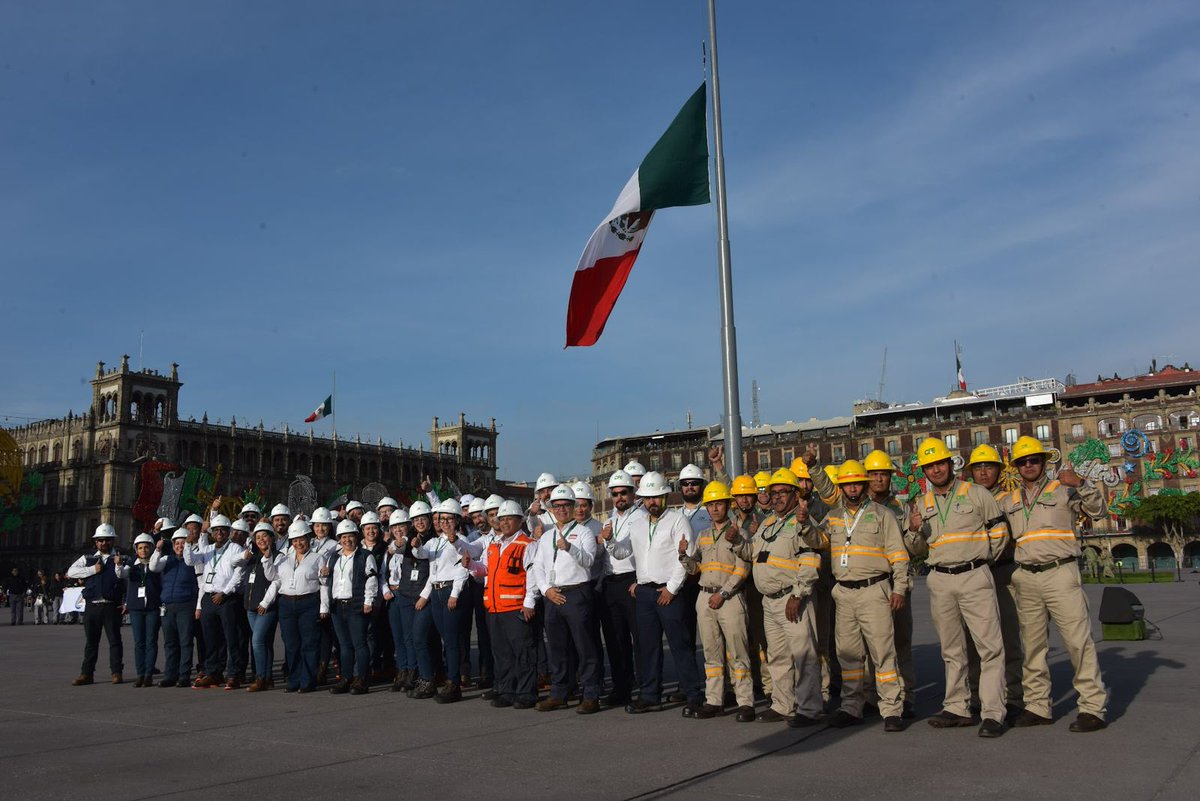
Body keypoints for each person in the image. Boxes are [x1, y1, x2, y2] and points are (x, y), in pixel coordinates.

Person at [999, 436, 1109, 733]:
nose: (1029, 465)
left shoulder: (1063, 489)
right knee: (1033, 646)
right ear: (1016, 467)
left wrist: (1081, 483)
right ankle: (1037, 706)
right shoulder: (1009, 501)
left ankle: (1092, 708)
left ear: (1044, 462)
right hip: (1026, 576)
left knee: (1078, 642)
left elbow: (1099, 511)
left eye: (1034, 460)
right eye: (1023, 462)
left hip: (1060, 572)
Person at [907, 437, 1009, 738]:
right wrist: (913, 530)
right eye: (930, 466)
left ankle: (992, 712)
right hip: (940, 579)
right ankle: (956, 706)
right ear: (924, 471)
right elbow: (916, 549)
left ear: (950, 464)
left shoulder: (976, 493)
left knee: (989, 647)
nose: (936, 470)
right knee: (951, 649)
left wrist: (983, 561)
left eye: (940, 463)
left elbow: (999, 533)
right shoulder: (921, 503)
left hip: (974, 575)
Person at [803, 460, 910, 731]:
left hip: (874, 590)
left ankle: (891, 708)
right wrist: (805, 525)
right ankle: (852, 706)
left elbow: (899, 555)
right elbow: (819, 541)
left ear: (864, 485)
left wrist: (899, 588)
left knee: (882, 652)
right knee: (848, 654)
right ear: (841, 488)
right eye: (847, 484)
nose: (852, 488)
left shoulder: (883, 514)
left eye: (857, 483)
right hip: (844, 593)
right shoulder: (834, 517)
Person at [603, 471, 704, 717]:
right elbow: (623, 552)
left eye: (656, 497)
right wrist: (610, 541)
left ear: (665, 496)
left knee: (680, 645)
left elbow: (685, 557)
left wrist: (671, 588)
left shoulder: (678, 520)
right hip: (646, 593)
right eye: (648, 498)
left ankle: (694, 695)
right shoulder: (637, 524)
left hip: (669, 591)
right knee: (648, 648)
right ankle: (650, 696)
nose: (652, 502)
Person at [740, 468, 823, 726]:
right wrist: (737, 542)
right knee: (777, 656)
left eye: (782, 492)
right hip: (769, 600)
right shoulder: (767, 523)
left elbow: (810, 560)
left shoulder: (802, 521)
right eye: (772, 492)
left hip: (792, 599)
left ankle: (809, 709)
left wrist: (798, 595)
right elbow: (751, 552)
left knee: (804, 655)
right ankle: (782, 704)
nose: (776, 497)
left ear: (795, 494)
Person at [680, 481, 754, 721]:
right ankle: (714, 700)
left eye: (718, 504)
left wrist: (723, 594)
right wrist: (683, 556)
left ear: (728, 505)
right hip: (704, 597)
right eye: (710, 505)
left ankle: (745, 702)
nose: (714, 509)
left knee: (738, 652)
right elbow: (695, 568)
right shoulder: (703, 536)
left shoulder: (739, 534)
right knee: (711, 653)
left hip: (729, 598)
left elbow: (743, 569)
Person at [965, 443, 1024, 720]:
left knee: (1009, 638)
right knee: (975, 642)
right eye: (978, 468)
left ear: (1000, 470)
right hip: (974, 577)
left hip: (1003, 572)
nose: (983, 472)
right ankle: (978, 696)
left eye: (988, 466)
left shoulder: (1010, 499)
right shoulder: (967, 500)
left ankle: (1014, 696)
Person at [531, 484, 600, 714]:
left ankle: (590, 694)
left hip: (576, 593)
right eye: (557, 506)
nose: (561, 510)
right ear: (551, 508)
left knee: (585, 647)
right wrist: (545, 590)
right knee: (557, 648)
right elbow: (538, 567)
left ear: (573, 506)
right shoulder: (546, 536)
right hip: (553, 595)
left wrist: (570, 547)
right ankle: (560, 692)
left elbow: (589, 561)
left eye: (566, 505)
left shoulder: (584, 532)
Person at [465, 500, 538, 709]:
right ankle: (507, 691)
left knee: (523, 653)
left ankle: (526, 693)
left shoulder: (527, 544)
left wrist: (529, 602)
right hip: (495, 608)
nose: (504, 523)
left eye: (509, 519)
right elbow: (486, 570)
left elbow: (533, 575)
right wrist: (471, 565)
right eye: (502, 519)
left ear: (520, 521)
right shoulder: (494, 545)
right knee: (502, 654)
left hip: (516, 608)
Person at [416, 499, 474, 703]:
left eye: (449, 519)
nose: (445, 522)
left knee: (451, 640)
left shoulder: (461, 540)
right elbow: (423, 555)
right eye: (442, 519)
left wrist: (455, 594)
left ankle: (454, 683)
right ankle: (451, 678)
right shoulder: (435, 542)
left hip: (450, 591)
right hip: (437, 591)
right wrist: (416, 547)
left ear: (457, 520)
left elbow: (463, 568)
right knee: (446, 639)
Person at [263, 518, 327, 693]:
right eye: (295, 540)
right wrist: (267, 557)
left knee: (309, 643)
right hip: (286, 604)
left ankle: (307, 681)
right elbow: (272, 577)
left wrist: (324, 607)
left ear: (308, 539)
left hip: (308, 603)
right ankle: (294, 679)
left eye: (302, 539)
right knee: (291, 644)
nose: (299, 543)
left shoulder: (318, 558)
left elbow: (323, 584)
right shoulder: (284, 558)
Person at [597, 469, 643, 708]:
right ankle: (621, 687)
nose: (619, 497)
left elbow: (626, 551)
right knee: (615, 640)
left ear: (633, 493)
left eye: (623, 492)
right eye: (615, 494)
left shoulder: (641, 517)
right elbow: (606, 556)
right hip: (611, 582)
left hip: (632, 581)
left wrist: (609, 540)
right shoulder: (610, 519)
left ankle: (645, 688)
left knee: (640, 638)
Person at [185, 514, 248, 690]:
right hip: (209, 596)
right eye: (216, 530)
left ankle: (234, 673)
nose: (219, 532)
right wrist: (188, 544)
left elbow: (239, 574)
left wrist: (224, 592)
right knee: (210, 637)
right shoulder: (208, 549)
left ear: (229, 532)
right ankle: (213, 672)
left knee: (231, 637)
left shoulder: (235, 548)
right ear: (212, 533)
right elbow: (190, 561)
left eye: (223, 530)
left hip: (227, 598)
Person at [66, 523, 125, 684]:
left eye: (107, 540)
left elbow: (127, 579)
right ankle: (87, 673)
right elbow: (71, 572)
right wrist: (92, 570)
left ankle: (116, 672)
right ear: (96, 542)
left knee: (115, 641)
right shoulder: (88, 559)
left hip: (111, 605)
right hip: (92, 605)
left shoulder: (120, 558)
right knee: (91, 642)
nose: (104, 543)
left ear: (113, 541)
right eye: (100, 540)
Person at [327, 519, 378, 695]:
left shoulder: (365, 555)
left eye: (350, 536)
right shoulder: (334, 557)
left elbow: (371, 579)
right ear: (339, 539)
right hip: (337, 606)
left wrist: (368, 601)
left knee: (360, 644)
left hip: (355, 605)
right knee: (344, 645)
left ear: (356, 537)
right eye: (343, 537)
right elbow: (329, 580)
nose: (347, 540)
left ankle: (361, 679)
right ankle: (346, 678)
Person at [397, 500, 439, 698]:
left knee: (421, 638)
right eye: (416, 519)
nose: (420, 522)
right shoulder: (408, 539)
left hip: (424, 597)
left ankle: (428, 678)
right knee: (409, 638)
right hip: (406, 594)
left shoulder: (435, 540)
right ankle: (414, 674)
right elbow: (394, 548)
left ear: (429, 519)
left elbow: (434, 571)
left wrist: (424, 597)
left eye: (423, 518)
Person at [116, 533, 164, 687]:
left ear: (151, 548)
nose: (143, 550)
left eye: (146, 547)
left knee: (151, 641)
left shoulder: (156, 564)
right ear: (136, 550)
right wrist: (118, 565)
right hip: (136, 607)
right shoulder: (131, 564)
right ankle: (140, 673)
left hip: (153, 607)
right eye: (140, 548)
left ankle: (149, 673)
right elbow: (121, 574)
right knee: (139, 642)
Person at [242, 522, 281, 692]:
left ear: (272, 538)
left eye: (264, 536)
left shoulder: (278, 556)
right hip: (251, 607)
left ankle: (260, 677)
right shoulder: (253, 557)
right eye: (258, 537)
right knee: (264, 643)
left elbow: (276, 581)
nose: (261, 540)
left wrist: (265, 602)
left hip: (267, 607)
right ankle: (268, 677)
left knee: (257, 642)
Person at [157, 527, 199, 687]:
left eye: (183, 543)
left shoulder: (192, 560)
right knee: (170, 642)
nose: (180, 546)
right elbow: (153, 566)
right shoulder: (167, 560)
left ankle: (184, 675)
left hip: (185, 604)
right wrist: (158, 549)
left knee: (185, 641)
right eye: (177, 543)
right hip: (167, 605)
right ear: (173, 545)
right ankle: (170, 674)